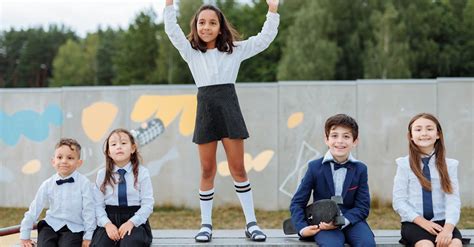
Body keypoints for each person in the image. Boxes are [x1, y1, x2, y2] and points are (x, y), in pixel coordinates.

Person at [163, 0, 280, 243]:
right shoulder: (191, 53)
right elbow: (171, 30)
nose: (206, 27)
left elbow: (263, 39)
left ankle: (251, 223)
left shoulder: (234, 50)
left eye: (212, 23)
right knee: (207, 169)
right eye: (201, 23)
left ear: (220, 27)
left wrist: (272, 10)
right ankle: (206, 225)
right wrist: (169, 4)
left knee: (238, 168)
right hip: (206, 110)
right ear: (196, 26)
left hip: (229, 109)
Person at [290, 114, 376, 247]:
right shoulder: (315, 167)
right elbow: (297, 202)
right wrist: (302, 229)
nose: (340, 141)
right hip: (323, 224)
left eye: (346, 136)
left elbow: (363, 207)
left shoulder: (360, 169)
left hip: (351, 221)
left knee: (367, 244)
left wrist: (341, 221)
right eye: (334, 135)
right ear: (326, 139)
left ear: (355, 141)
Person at [393, 113, 463, 247]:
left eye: (429, 129)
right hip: (415, 222)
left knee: (455, 244)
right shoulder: (404, 165)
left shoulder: (450, 165)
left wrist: (448, 230)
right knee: (426, 245)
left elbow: (453, 201)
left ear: (438, 134)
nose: (424, 133)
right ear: (411, 136)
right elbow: (399, 201)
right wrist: (423, 223)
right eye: (418, 129)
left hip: (443, 223)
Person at [20, 138, 95, 247]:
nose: (64, 161)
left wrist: (88, 236)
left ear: (79, 163)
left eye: (70, 158)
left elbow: (89, 211)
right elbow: (34, 208)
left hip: (74, 228)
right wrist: (25, 234)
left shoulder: (84, 183)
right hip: (51, 225)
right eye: (59, 157)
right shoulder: (47, 184)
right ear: (53, 161)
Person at [90, 129, 154, 247]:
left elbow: (148, 204)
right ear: (109, 152)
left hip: (134, 220)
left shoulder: (142, 173)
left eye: (123, 143)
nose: (118, 147)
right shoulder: (102, 174)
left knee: (129, 244)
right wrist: (107, 224)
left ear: (133, 148)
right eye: (113, 144)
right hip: (109, 219)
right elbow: (97, 205)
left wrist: (131, 223)